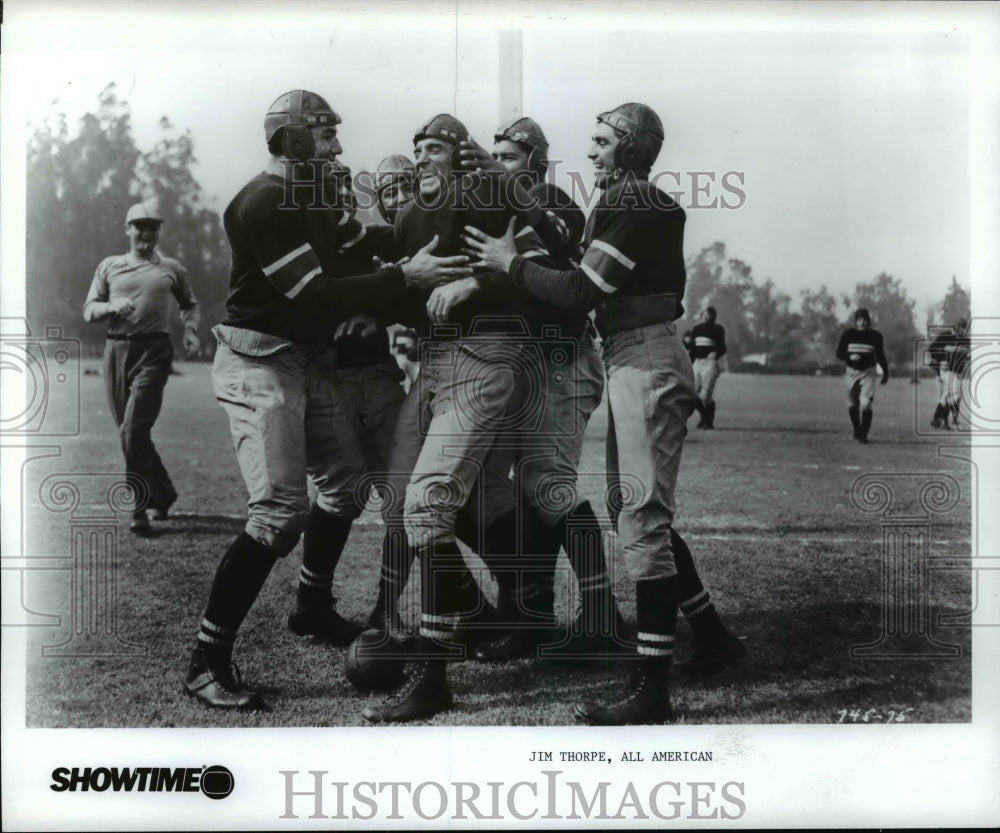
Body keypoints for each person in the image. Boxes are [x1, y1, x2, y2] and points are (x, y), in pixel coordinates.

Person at [183, 90, 470, 711]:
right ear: (292, 142)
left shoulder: (309, 195)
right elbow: (312, 296)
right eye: (325, 137)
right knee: (278, 514)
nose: (338, 148)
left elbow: (360, 247)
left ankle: (310, 604)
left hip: (302, 362)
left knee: (344, 486)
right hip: (260, 363)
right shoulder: (264, 201)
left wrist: (422, 255)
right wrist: (404, 279)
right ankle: (206, 659)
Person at [463, 102, 746, 724]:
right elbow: (571, 253)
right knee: (633, 509)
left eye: (601, 140)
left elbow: (579, 291)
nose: (590, 151)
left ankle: (653, 690)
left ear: (634, 148)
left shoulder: (637, 201)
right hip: (630, 354)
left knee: (641, 517)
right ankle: (713, 636)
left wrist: (509, 263)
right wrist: (525, 206)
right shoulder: (624, 199)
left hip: (644, 356)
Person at [347, 112, 559, 722]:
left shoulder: (492, 192)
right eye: (417, 147)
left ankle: (436, 675)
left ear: (460, 154)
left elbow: (547, 261)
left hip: (487, 356)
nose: (422, 157)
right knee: (404, 500)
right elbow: (406, 283)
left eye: (435, 147)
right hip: (434, 363)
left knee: (429, 502)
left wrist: (477, 283)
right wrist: (373, 309)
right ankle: (494, 610)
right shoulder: (412, 214)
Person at [454, 116, 628, 659]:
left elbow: (557, 243)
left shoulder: (552, 199)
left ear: (534, 162)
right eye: (496, 156)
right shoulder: (492, 208)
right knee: (496, 489)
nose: (498, 166)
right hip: (520, 364)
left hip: (562, 358)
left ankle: (601, 617)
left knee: (548, 486)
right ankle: (528, 612)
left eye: (508, 157)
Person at [83, 202, 201, 536]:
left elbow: (189, 303)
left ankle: (139, 507)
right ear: (127, 229)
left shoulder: (172, 268)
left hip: (155, 351)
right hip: (116, 350)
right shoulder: (110, 266)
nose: (147, 233)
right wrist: (111, 306)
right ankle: (163, 493)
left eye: (153, 227)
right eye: (140, 226)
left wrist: (191, 331)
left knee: (132, 431)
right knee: (131, 432)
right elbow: (88, 309)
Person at [835, 308, 889, 444]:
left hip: (868, 373)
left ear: (868, 321)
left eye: (865, 320)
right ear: (855, 321)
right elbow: (839, 353)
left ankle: (863, 435)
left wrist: (886, 372)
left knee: (866, 404)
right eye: (859, 320)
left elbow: (881, 355)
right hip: (851, 373)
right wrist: (850, 356)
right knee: (852, 404)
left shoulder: (875, 336)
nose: (862, 323)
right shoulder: (848, 334)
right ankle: (857, 430)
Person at [927, 318, 970, 430]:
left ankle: (937, 419)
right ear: (958, 327)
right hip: (945, 371)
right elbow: (931, 349)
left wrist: (951, 349)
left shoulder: (965, 339)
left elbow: (964, 351)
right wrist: (941, 359)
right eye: (963, 329)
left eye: (965, 329)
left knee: (946, 395)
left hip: (954, 372)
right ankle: (947, 420)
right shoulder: (945, 336)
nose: (965, 331)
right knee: (956, 394)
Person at [689, 306, 727, 429]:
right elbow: (693, 349)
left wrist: (716, 353)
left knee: (705, 396)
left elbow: (723, 347)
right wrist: (689, 362)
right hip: (697, 363)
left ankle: (708, 422)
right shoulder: (696, 329)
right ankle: (706, 418)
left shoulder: (718, 329)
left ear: (713, 316)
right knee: (691, 394)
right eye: (704, 314)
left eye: (708, 315)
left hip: (710, 364)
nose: (706, 317)